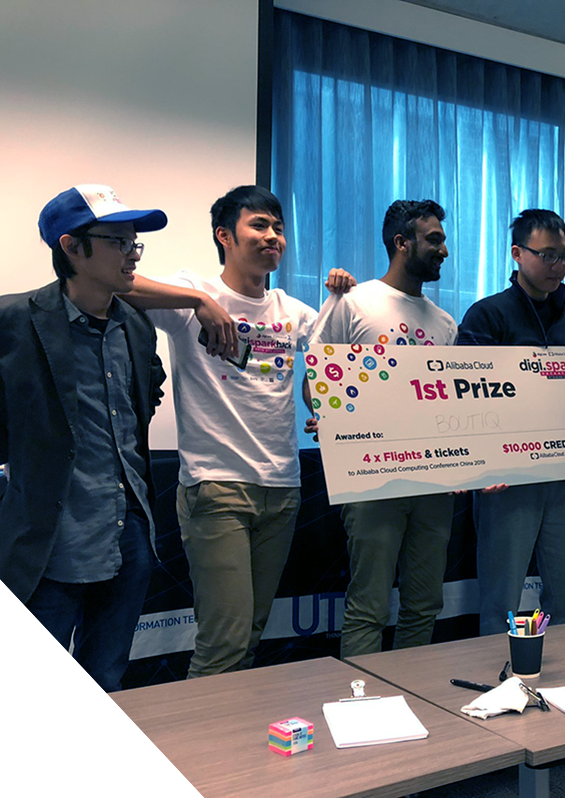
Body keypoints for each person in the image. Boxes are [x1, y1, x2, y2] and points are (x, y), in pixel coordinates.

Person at [127, 185, 352, 678]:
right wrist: (199, 302)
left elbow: (325, 380)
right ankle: (200, 730)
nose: (273, 236)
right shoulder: (193, 293)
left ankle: (233, 726)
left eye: (279, 228)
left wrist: (339, 300)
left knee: (249, 635)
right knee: (224, 643)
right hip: (217, 487)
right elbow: (122, 285)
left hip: (282, 489)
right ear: (224, 236)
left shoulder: (293, 311)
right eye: (259, 225)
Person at [0, 184, 167, 691]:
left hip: (127, 534)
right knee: (29, 691)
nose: (132, 254)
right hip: (47, 541)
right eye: (119, 242)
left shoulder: (136, 325)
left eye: (135, 243)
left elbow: (145, 399)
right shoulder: (12, 321)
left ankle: (90, 750)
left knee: (104, 682)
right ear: (72, 247)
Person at [309, 199, 458, 657]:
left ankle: (414, 692)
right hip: (371, 478)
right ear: (401, 242)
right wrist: (331, 418)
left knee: (424, 604)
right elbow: (316, 383)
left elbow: (449, 402)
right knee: (369, 605)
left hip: (433, 480)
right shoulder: (354, 302)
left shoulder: (446, 324)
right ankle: (364, 696)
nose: (444, 250)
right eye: (434, 239)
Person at [458, 209, 565, 635]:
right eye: (547, 255)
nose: (559, 266)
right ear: (517, 254)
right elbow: (466, 397)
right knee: (501, 598)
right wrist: (483, 462)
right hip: (507, 476)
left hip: (563, 473)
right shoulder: (487, 315)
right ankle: (498, 672)